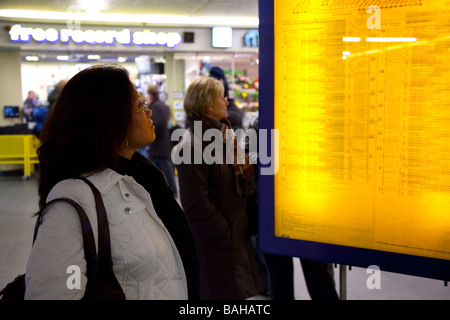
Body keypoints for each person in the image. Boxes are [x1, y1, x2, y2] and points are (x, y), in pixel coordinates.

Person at [25, 64, 198, 300]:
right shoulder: (75, 200)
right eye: (139, 106)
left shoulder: (143, 179)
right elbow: (54, 292)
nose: (148, 112)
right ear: (111, 119)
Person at [175, 76, 263, 300]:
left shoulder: (224, 137)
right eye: (221, 98)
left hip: (234, 239)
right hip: (217, 245)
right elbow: (195, 204)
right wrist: (226, 233)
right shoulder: (192, 145)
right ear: (207, 105)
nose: (227, 102)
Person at [146, 85, 178, 196]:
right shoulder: (162, 105)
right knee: (162, 166)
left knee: (164, 166)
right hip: (162, 142)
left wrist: (151, 132)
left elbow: (159, 123)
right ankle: (171, 190)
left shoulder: (156, 106)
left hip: (159, 142)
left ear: (150, 94)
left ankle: (172, 190)